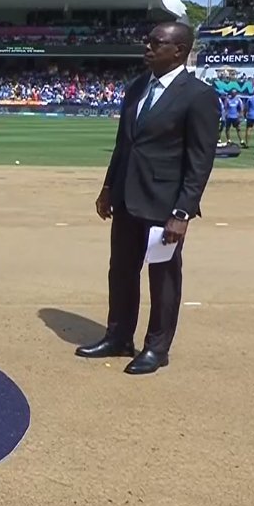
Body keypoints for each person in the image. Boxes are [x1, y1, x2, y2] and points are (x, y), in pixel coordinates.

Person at [83, 21, 220, 374]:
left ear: (179, 51)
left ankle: (157, 348)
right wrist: (108, 187)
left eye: (157, 43)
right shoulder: (137, 87)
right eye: (148, 41)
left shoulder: (198, 95)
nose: (147, 47)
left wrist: (183, 212)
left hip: (165, 203)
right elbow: (123, 144)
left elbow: (200, 160)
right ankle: (118, 337)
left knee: (163, 276)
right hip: (127, 196)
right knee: (121, 271)